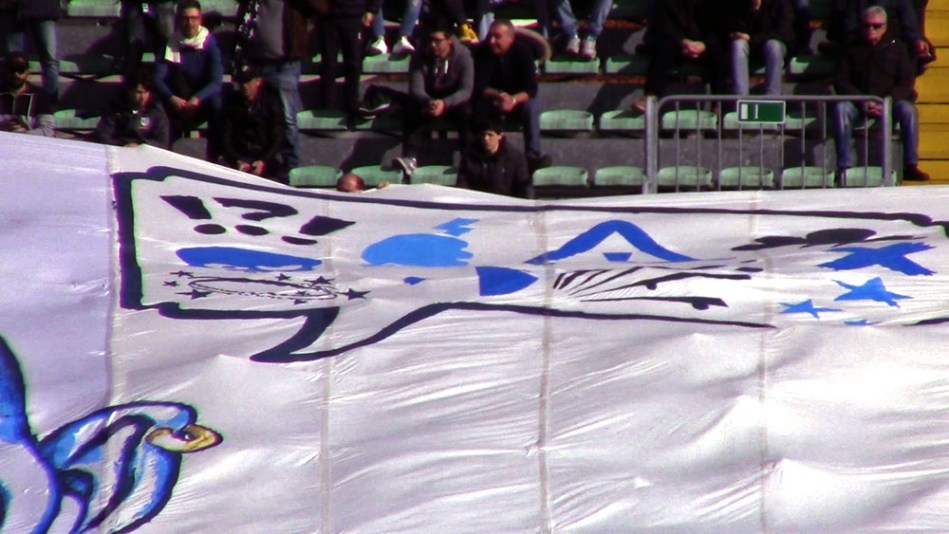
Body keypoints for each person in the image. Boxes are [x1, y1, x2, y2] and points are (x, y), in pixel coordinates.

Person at [832, 6, 929, 182]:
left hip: (890, 101)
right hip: (859, 101)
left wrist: (887, 102)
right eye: (867, 25)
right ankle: (844, 166)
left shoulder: (898, 47)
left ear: (885, 26)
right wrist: (863, 101)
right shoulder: (850, 47)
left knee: (908, 111)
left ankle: (910, 164)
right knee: (841, 110)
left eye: (876, 26)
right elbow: (841, 80)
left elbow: (906, 81)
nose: (871, 29)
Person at [234, 0, 315, 174]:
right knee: (249, 112)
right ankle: (252, 160)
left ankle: (290, 165)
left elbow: (321, 7)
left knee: (287, 117)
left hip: (285, 65)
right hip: (255, 62)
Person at [393, 21, 474, 176]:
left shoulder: (464, 55)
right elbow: (416, 88)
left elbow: (466, 90)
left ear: (449, 40)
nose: (433, 45)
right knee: (412, 108)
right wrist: (429, 102)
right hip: (428, 99)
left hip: (454, 100)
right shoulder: (419, 55)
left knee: (467, 113)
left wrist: (445, 103)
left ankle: (468, 160)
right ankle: (410, 157)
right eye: (430, 40)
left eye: (437, 41)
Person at [473, 19, 550, 171]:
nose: (492, 41)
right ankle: (479, 154)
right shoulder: (482, 52)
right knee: (476, 104)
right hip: (492, 100)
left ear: (511, 38)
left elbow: (531, 89)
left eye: (497, 37)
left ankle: (532, 156)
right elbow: (479, 86)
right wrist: (499, 96)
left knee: (531, 105)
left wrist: (513, 100)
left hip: (517, 102)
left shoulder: (523, 51)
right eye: (490, 36)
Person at [154, 0, 223, 157]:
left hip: (200, 101)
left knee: (217, 103)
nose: (190, 23)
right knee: (158, 103)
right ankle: (165, 155)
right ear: (178, 20)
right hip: (177, 100)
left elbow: (216, 81)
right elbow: (158, 79)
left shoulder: (210, 44)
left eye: (194, 18)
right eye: (185, 19)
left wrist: (196, 99)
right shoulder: (169, 44)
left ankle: (213, 157)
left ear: (200, 19)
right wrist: (172, 98)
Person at [632, 0, 727, 112]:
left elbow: (720, 26)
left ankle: (718, 103)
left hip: (704, 45)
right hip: (677, 43)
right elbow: (664, 23)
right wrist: (682, 41)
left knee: (719, 51)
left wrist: (704, 44)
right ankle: (651, 95)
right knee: (664, 47)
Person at [218, 66, 287, 182]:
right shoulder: (231, 103)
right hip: (239, 154)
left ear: (258, 81)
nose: (245, 86)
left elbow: (278, 136)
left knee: (279, 176)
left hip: (263, 155)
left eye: (248, 82)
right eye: (242, 82)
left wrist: (263, 160)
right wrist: (237, 159)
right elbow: (225, 135)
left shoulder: (271, 103)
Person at [319, 0, 382, 117]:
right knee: (328, 64)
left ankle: (352, 105)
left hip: (355, 15)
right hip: (328, 17)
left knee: (354, 63)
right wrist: (318, 8)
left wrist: (371, 10)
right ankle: (327, 105)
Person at [724, 0, 794, 96]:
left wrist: (752, 39)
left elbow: (783, 33)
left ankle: (772, 96)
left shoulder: (780, 3)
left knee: (774, 46)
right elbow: (731, 27)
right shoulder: (739, 4)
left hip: (771, 46)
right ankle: (740, 97)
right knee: (738, 45)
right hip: (749, 49)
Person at [0, 0, 61, 103]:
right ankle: (11, 103)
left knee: (49, 61)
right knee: (13, 62)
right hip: (12, 8)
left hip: (43, 7)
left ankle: (50, 104)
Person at [94, 69, 170, 148]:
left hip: (146, 152)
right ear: (129, 91)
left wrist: (141, 144)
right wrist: (122, 145)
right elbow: (103, 135)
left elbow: (162, 142)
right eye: (139, 92)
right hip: (119, 150)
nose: (143, 97)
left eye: (146, 92)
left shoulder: (155, 111)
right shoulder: (116, 107)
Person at [458, 122, 532, 198]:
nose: (485, 138)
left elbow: (524, 187)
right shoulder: (470, 156)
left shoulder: (515, 158)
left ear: (500, 136)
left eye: (490, 135)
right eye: (483, 135)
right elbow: (462, 185)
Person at [0, 51, 54, 137]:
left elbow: (47, 130)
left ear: (27, 71)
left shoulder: (40, 95)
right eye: (11, 69)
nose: (16, 74)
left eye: (20, 69)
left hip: (29, 143)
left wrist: (20, 136)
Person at [121, 0, 176, 78]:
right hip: (134, 4)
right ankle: (134, 81)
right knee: (133, 46)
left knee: (167, 46)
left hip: (163, 4)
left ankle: (162, 79)